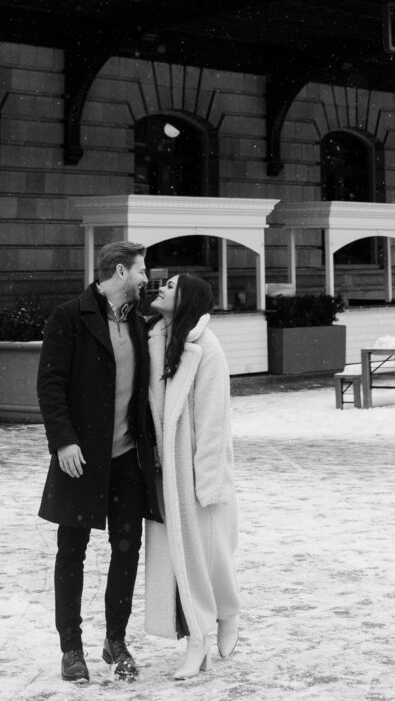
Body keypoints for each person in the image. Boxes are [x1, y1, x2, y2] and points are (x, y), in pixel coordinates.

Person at [36, 241, 163, 683]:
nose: (147, 278)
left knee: (127, 550)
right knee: (72, 551)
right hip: (81, 458)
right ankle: (71, 647)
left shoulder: (141, 323)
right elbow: (50, 383)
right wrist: (63, 442)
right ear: (120, 272)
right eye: (142, 271)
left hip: (128, 459)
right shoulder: (70, 316)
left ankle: (116, 641)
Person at [144, 273, 240, 680]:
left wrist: (209, 482)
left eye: (171, 285)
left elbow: (214, 420)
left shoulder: (207, 348)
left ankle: (211, 627)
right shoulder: (154, 339)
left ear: (187, 299)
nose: (161, 287)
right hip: (165, 468)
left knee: (205, 557)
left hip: (195, 469)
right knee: (183, 559)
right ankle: (206, 628)